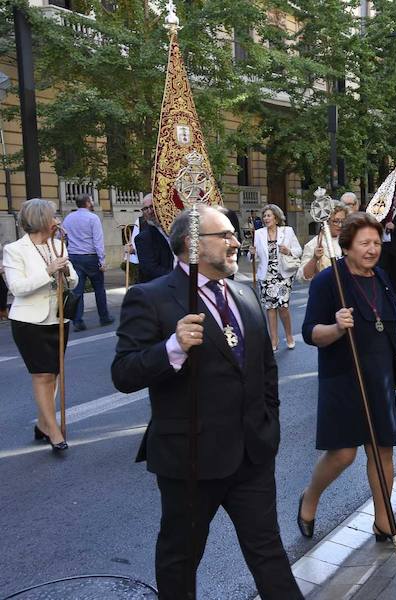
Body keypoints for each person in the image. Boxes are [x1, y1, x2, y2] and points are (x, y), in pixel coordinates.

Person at [111, 205, 302, 600]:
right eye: (226, 236)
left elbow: (265, 371)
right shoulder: (150, 298)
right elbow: (124, 373)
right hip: (190, 459)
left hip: (251, 455)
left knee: (268, 552)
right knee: (181, 559)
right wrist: (172, 347)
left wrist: (269, 424)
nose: (237, 242)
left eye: (235, 234)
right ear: (192, 244)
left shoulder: (244, 295)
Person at [298, 212, 396, 546]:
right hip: (343, 377)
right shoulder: (329, 281)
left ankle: (384, 522)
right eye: (365, 243)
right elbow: (310, 333)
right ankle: (310, 497)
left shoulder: (380, 277)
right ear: (347, 245)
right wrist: (336, 327)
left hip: (379, 377)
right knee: (343, 454)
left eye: (377, 242)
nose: (372, 249)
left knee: (382, 453)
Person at [4, 199, 78, 453]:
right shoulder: (14, 249)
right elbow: (17, 288)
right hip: (28, 322)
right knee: (42, 375)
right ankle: (53, 429)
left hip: (58, 319)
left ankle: (42, 422)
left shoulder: (58, 245)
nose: (57, 220)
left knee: (53, 375)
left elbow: (75, 281)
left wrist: (66, 272)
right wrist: (48, 271)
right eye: (53, 216)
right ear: (42, 220)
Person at [249, 204, 302, 351]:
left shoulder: (287, 231)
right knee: (270, 308)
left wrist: (288, 250)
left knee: (283, 306)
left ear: (276, 218)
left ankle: (289, 336)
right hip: (266, 275)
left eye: (269, 215)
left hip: (283, 274)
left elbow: (298, 250)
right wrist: (251, 253)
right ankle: (274, 339)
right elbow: (253, 257)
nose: (266, 218)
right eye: (264, 216)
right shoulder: (259, 233)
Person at [62, 193, 113, 331]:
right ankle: (104, 317)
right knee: (99, 288)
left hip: (74, 256)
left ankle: (78, 321)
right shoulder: (93, 218)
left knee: (77, 291)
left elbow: (62, 235)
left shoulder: (68, 218)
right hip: (91, 257)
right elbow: (98, 240)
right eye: (91, 200)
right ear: (88, 203)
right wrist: (102, 260)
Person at [300, 204, 346, 281]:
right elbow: (305, 276)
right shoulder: (314, 244)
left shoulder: (348, 240)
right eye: (335, 221)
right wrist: (315, 258)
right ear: (326, 222)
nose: (340, 225)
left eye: (343, 221)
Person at [134, 194, 173, 283]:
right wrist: (177, 277)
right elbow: (150, 269)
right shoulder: (143, 238)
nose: (150, 211)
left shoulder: (174, 229)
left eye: (152, 207)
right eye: (145, 209)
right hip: (159, 287)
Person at [378, 192, 396, 299]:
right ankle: (385, 289)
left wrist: (395, 228)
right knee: (384, 267)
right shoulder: (386, 210)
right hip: (384, 243)